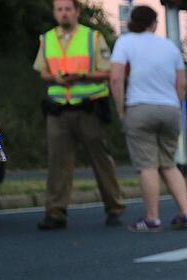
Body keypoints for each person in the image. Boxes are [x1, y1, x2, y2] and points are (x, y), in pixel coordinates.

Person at [33, 0, 126, 230]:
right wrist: (55, 78)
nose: (63, 13)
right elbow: (42, 71)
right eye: (59, 9)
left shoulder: (92, 38)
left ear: (76, 12)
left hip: (88, 108)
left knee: (100, 159)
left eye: (67, 9)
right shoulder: (46, 39)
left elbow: (107, 72)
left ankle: (114, 208)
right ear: (54, 13)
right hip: (58, 109)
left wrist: (81, 75)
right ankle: (55, 212)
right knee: (57, 162)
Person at [109, 4, 187, 232]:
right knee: (168, 163)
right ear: (154, 23)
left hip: (140, 107)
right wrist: (176, 105)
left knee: (147, 165)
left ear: (131, 22)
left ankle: (152, 218)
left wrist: (121, 109)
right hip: (170, 110)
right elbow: (181, 83)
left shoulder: (125, 42)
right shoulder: (170, 46)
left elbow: (116, 78)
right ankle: (185, 212)